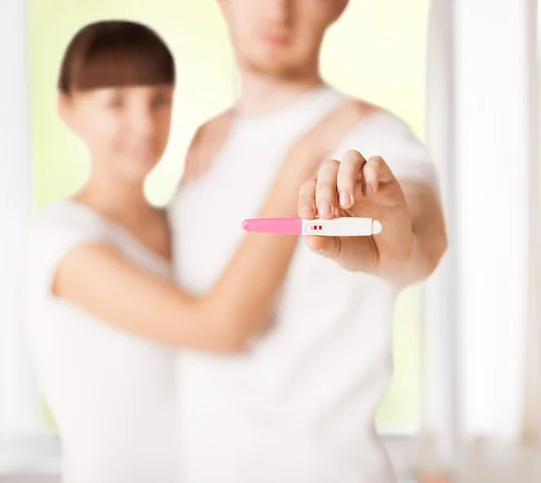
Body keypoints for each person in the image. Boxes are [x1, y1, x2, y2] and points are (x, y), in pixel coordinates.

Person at [22, 19, 361, 483]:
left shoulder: (181, 216)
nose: (143, 124)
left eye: (158, 99)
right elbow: (219, 327)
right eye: (115, 103)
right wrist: (307, 154)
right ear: (67, 108)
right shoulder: (60, 240)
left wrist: (238, 126)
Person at [167, 1, 448, 482]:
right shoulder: (204, 151)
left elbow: (420, 236)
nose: (279, 10)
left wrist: (395, 239)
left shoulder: (371, 135)